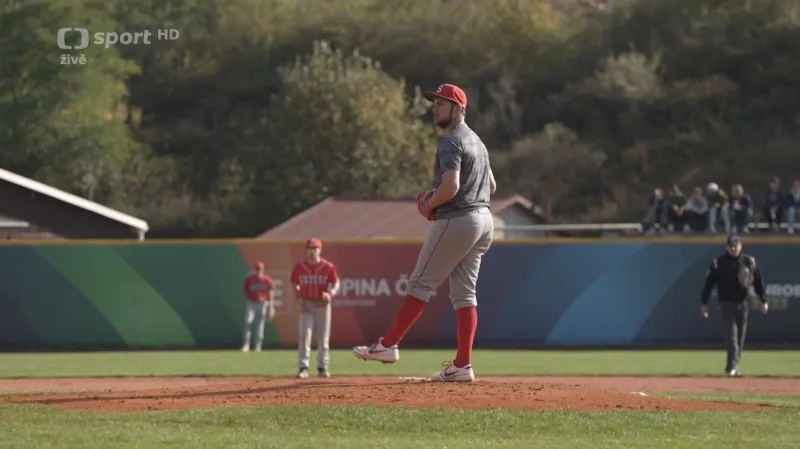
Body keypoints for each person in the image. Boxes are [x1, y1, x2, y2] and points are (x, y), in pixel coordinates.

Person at [352, 83, 495, 383]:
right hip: (484, 220)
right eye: (435, 103)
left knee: (420, 283)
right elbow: (491, 186)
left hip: (459, 219)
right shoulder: (478, 142)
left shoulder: (451, 141)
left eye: (442, 103)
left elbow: (451, 187)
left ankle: (388, 345)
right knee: (465, 294)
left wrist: (429, 203)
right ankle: (462, 365)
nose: (435, 108)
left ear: (459, 108)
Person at [700, 235, 769, 376]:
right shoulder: (718, 263)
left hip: (743, 303)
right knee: (732, 336)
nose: (733, 248)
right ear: (726, 247)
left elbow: (758, 282)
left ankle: (733, 365)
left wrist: (763, 300)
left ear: (740, 246)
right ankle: (732, 367)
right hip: (726, 303)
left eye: (735, 246)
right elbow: (709, 284)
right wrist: (704, 302)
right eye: (730, 246)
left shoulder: (748, 262)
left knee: (740, 338)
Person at [290, 238, 340, 379]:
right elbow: (294, 283)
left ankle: (322, 367)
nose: (312, 251)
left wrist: (330, 294)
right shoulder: (300, 266)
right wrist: (298, 300)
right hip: (306, 304)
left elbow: (336, 282)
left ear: (320, 250)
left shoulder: (328, 266)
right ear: (306, 251)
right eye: (309, 249)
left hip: (322, 305)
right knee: (304, 335)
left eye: (315, 248)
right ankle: (303, 367)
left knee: (323, 337)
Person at [241, 261, 276, 352]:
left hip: (262, 303)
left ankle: (258, 346)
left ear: (263, 270)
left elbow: (270, 293)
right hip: (251, 302)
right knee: (247, 322)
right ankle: (246, 344)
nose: (258, 271)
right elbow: (244, 292)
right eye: (257, 269)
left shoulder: (267, 280)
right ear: (254, 270)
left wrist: (271, 307)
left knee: (260, 325)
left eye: (260, 269)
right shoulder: (249, 279)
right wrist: (244, 305)